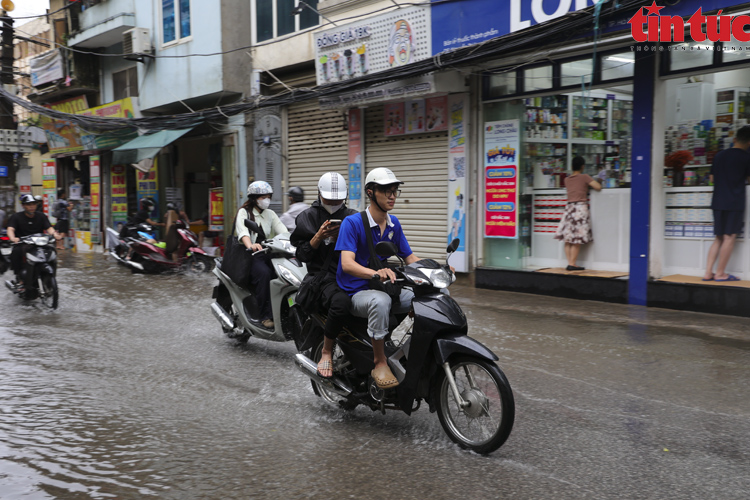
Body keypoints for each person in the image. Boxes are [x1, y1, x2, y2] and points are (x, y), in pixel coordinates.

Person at [335, 167, 419, 389]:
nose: (392, 196)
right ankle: (380, 362)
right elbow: (347, 263)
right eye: (386, 191)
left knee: (426, 298)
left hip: (381, 287)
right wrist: (375, 273)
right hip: (356, 291)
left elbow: (409, 257)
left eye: (394, 191)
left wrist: (435, 271)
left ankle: (409, 350)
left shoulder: (394, 224)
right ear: (371, 193)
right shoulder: (352, 223)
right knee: (380, 303)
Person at [291, 172, 357, 378]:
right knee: (341, 302)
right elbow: (301, 254)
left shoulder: (354, 217)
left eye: (338, 199)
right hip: (323, 279)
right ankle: (326, 351)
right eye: (330, 198)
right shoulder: (307, 217)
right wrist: (317, 237)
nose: (334, 203)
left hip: (353, 274)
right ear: (319, 194)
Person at [235, 181, 287, 329]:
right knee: (264, 274)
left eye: (268, 196)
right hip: (251, 255)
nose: (266, 199)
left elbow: (282, 231)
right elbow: (243, 232)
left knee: (282, 273)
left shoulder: (270, 214)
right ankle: (265, 316)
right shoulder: (244, 212)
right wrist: (250, 245)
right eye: (262, 197)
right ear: (254, 198)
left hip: (268, 252)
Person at [703, 125, 750, 282]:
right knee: (729, 237)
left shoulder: (719, 155)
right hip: (734, 202)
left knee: (718, 238)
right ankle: (721, 274)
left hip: (717, 201)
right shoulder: (746, 157)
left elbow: (712, 179)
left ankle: (708, 272)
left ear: (735, 138)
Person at [554, 156, 601, 271]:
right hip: (580, 208)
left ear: (572, 167)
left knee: (568, 237)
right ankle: (573, 264)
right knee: (577, 237)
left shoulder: (567, 179)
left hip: (569, 209)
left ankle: (570, 263)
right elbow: (598, 187)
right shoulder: (584, 177)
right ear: (582, 166)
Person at [6, 194, 61, 290]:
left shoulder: (41, 216)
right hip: (23, 244)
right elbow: (10, 229)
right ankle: (20, 278)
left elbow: (49, 228)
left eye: (34, 204)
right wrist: (13, 238)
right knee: (16, 251)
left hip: (40, 244)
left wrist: (55, 235)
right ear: (23, 205)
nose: (31, 206)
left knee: (52, 250)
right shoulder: (16, 217)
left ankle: (50, 277)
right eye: (28, 204)